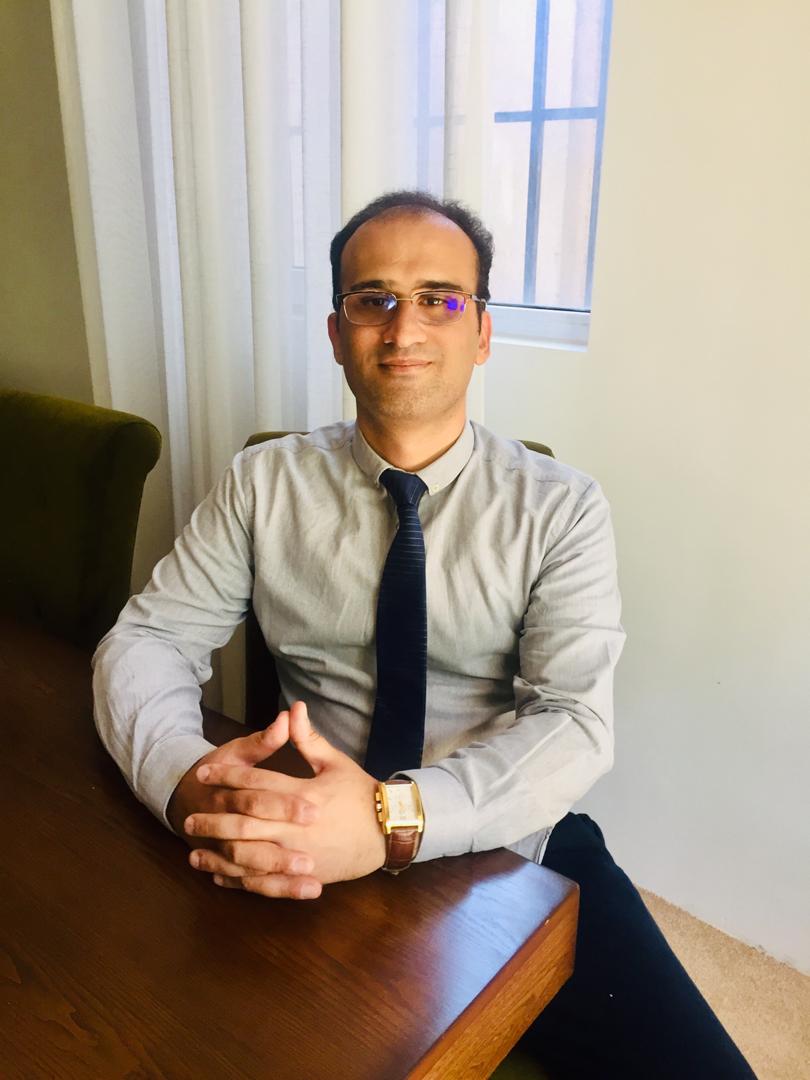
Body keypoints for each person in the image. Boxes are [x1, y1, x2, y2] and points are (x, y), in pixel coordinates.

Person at [93, 190, 756, 1078]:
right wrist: (185, 780)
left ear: (482, 333)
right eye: (375, 299)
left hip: (505, 839)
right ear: (338, 334)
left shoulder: (562, 509)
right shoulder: (262, 483)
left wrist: (389, 817)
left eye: (440, 298)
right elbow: (147, 642)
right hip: (304, 825)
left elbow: (574, 722)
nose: (404, 327)